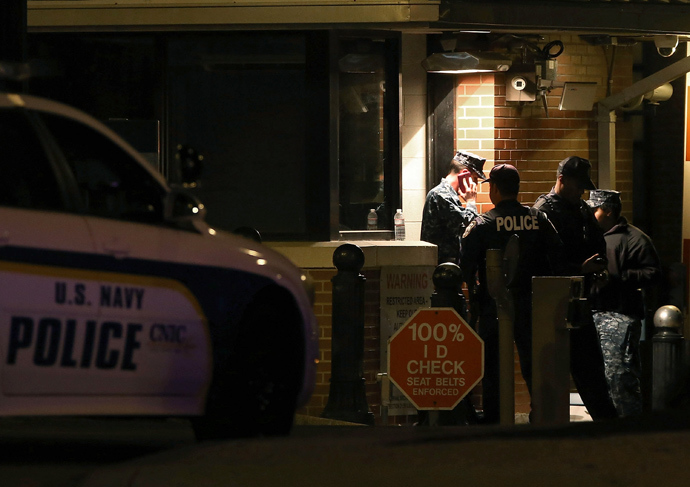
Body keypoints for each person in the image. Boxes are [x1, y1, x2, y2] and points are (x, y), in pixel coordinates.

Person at [460, 164, 562, 424]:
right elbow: (558, 257)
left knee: (493, 365)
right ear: (516, 188)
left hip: (494, 306)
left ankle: (495, 418)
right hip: (534, 305)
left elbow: (466, 269)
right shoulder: (538, 219)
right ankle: (543, 414)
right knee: (535, 363)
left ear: (493, 188)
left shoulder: (483, 223)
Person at [533, 156, 618, 420]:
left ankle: (607, 428)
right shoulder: (543, 211)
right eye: (578, 184)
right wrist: (580, 269)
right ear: (561, 180)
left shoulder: (580, 209)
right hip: (553, 307)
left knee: (592, 373)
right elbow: (541, 263)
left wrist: (598, 269)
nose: (582, 191)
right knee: (551, 376)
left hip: (580, 301)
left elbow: (597, 242)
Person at [587, 189, 661, 417]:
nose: (591, 215)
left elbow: (653, 274)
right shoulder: (592, 236)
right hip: (595, 314)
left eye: (595, 210)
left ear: (608, 211)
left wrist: (619, 277)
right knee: (600, 377)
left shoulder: (635, 239)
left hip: (620, 317)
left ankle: (630, 428)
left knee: (620, 376)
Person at [421, 150, 487, 265]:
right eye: (475, 178)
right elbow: (471, 227)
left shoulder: (448, 195)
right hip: (442, 269)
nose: (475, 184)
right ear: (464, 174)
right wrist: (471, 201)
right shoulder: (442, 195)